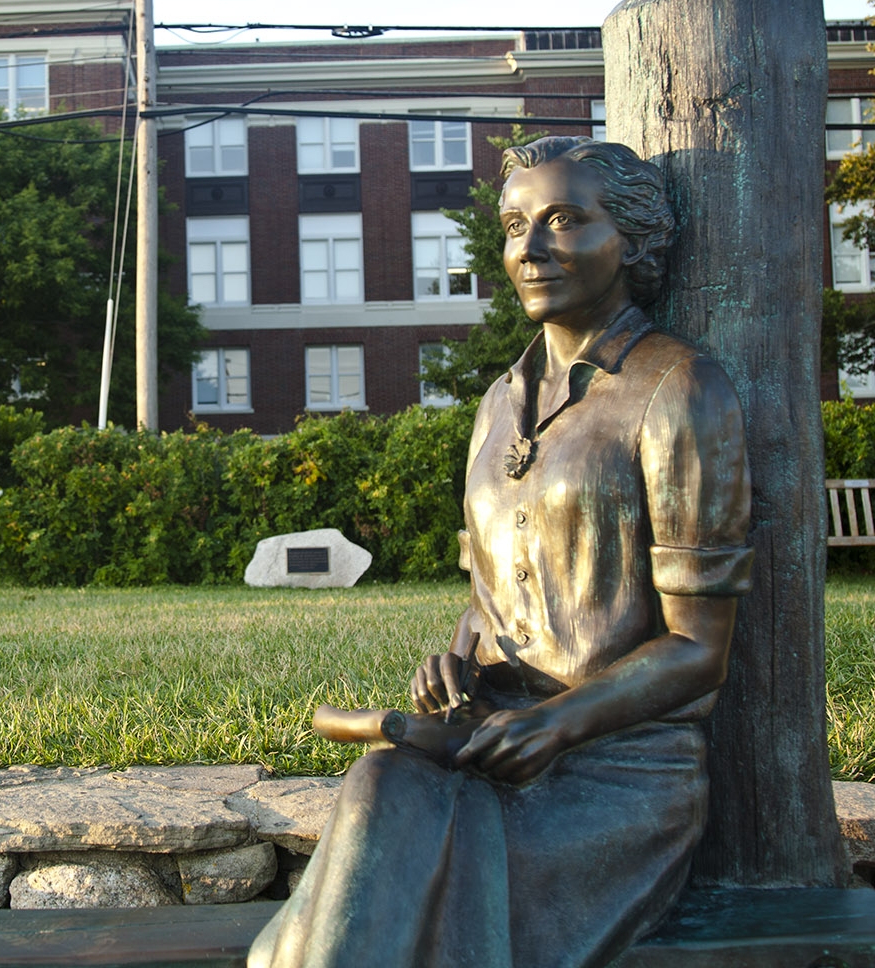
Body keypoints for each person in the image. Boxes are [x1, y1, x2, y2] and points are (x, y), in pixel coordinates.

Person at [248, 136, 754, 968]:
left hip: (615, 772)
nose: (532, 247)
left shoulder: (680, 389)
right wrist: (455, 665)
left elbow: (700, 648)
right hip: (489, 740)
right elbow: (486, 599)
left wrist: (557, 723)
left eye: (564, 220)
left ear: (632, 240)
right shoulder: (496, 403)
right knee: (378, 782)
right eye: (516, 226)